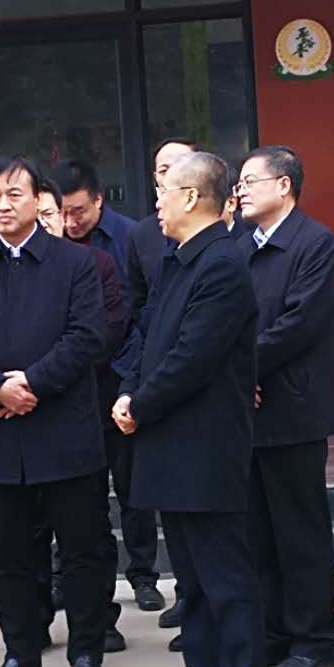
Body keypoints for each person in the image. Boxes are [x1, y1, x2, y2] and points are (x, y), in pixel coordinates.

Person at [114, 152, 268, 667]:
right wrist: (128, 390)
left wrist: (141, 405)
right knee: (192, 576)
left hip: (206, 445)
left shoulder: (223, 265)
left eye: (165, 190)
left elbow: (192, 359)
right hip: (167, 442)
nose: (156, 201)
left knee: (225, 572)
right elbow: (147, 336)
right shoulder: (176, 260)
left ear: (192, 197)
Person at [0, 157, 109, 667]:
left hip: (65, 430)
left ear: (39, 199)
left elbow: (87, 336)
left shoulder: (75, 262)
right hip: (1, 435)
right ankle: (21, 653)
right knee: (11, 555)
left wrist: (32, 383)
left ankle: (87, 652)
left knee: (82, 549)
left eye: (14, 194)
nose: (3, 205)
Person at [236, 145, 334, 667]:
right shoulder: (239, 246)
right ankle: (274, 632)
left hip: (294, 408)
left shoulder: (315, 244)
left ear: (284, 186)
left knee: (300, 531)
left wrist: (241, 368)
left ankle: (314, 639)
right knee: (258, 531)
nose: (240, 190)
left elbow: (299, 325)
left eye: (250, 181)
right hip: (248, 412)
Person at [51, 157, 163, 612]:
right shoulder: (50, 242)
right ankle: (69, 575)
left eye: (79, 211)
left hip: (121, 375)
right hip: (70, 383)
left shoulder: (129, 238)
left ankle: (144, 575)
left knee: (133, 484)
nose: (70, 222)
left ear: (99, 200)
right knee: (76, 489)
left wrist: (131, 377)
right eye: (62, 212)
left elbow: (142, 311)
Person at [35, 179, 128, 654]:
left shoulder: (94, 264)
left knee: (88, 524)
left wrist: (44, 375)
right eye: (39, 215)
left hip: (85, 405)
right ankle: (37, 620)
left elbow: (105, 332)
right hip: (24, 413)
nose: (47, 224)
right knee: (32, 529)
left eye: (51, 215)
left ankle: (98, 620)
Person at [124, 138, 200, 641]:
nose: (162, 183)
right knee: (174, 514)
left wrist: (140, 401)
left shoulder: (222, 247)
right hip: (158, 397)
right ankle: (188, 600)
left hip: (197, 404)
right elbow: (140, 313)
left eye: (173, 171)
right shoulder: (145, 237)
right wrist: (133, 384)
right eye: (158, 172)